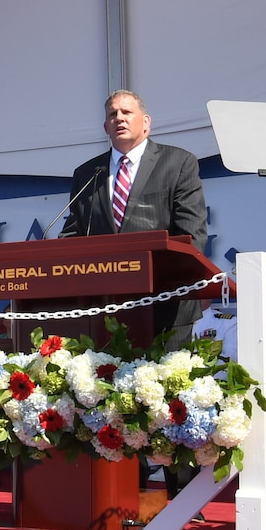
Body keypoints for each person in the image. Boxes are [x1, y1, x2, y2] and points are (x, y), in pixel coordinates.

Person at [60, 89, 208, 345]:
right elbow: (73, 235)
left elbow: (192, 235)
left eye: (127, 112)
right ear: (105, 126)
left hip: (164, 305)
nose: (120, 118)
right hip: (102, 307)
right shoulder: (87, 174)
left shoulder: (178, 163)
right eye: (113, 114)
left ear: (146, 122)